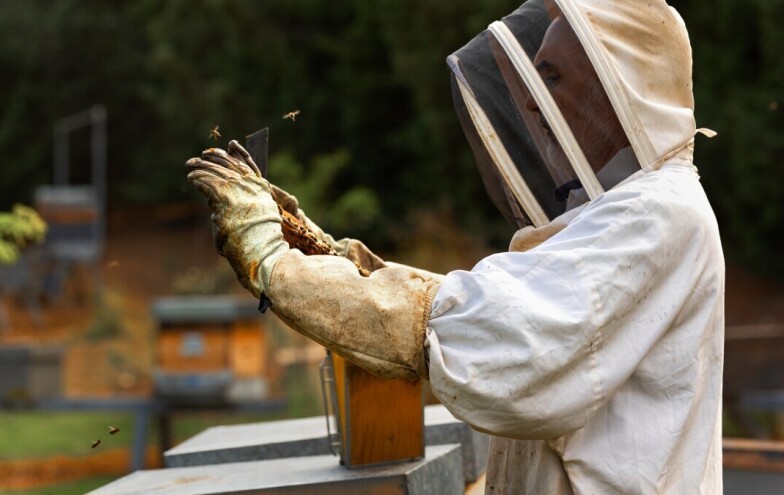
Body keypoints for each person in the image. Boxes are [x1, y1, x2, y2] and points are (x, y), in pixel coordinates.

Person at [186, 0, 724, 492]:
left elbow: (498, 335)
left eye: (553, 77)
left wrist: (276, 265)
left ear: (617, 86)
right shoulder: (618, 209)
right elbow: (494, 306)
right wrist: (332, 260)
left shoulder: (656, 213)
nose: (534, 106)